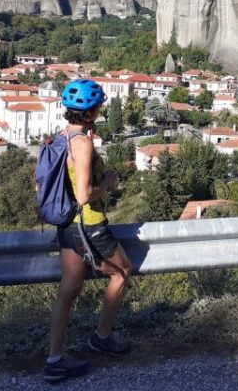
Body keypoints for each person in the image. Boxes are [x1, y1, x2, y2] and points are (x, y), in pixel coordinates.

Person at [44, 79, 133, 383]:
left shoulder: (59, 138)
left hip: (66, 224)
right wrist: (108, 179)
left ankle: (54, 359)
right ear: (93, 111)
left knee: (68, 290)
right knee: (122, 272)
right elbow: (84, 194)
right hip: (89, 223)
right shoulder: (82, 143)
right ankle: (103, 336)